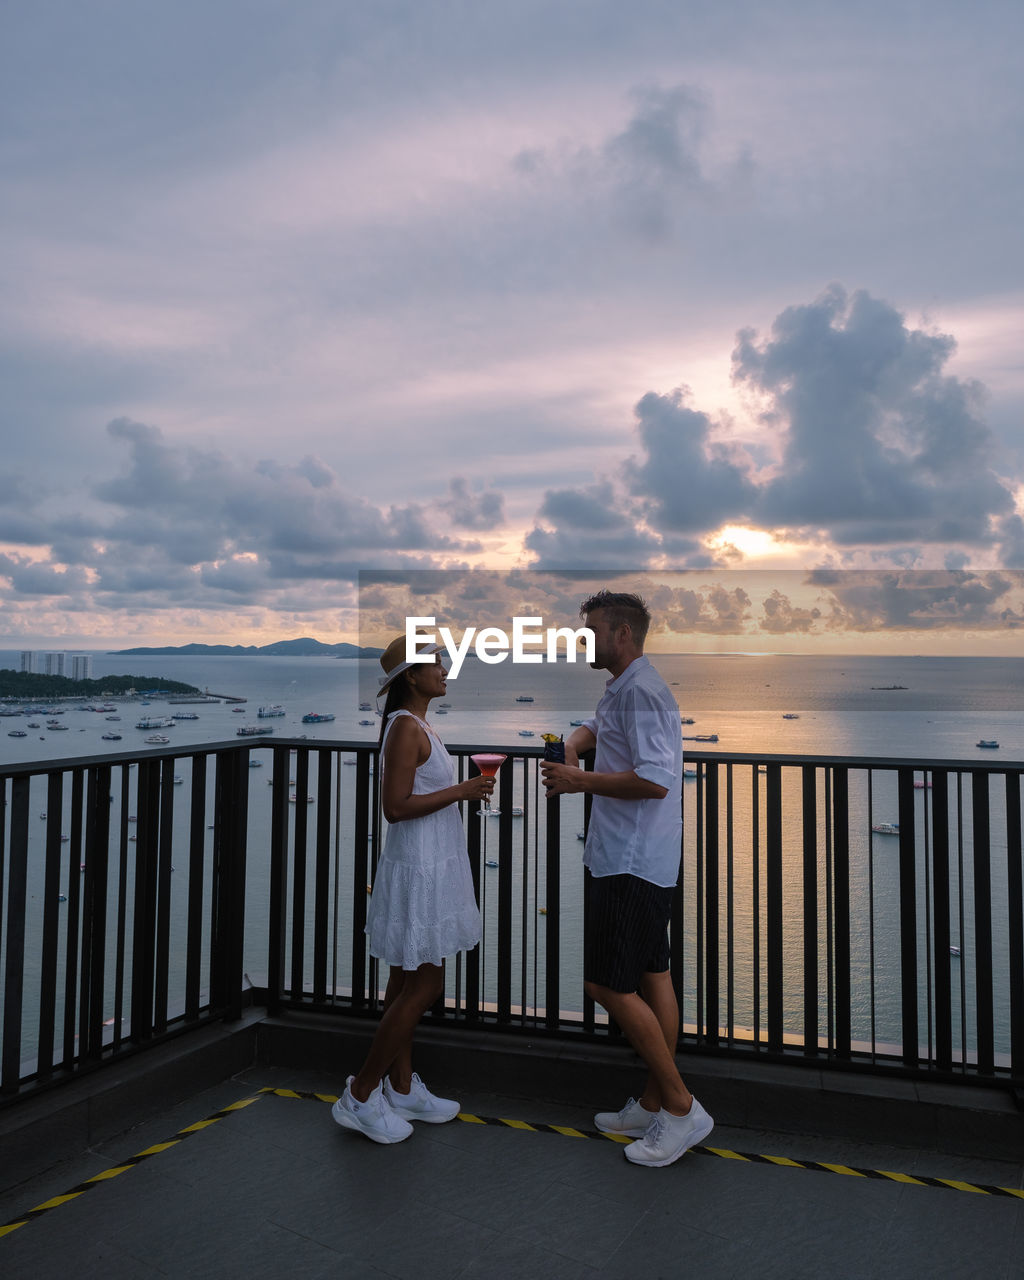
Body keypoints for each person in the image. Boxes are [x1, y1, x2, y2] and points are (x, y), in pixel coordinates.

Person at [540, 590, 713, 1168]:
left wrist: (576, 780)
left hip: (629, 860)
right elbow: (597, 728)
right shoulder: (624, 689)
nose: (582, 639)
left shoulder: (641, 693)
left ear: (622, 635)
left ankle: (682, 1109)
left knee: (607, 987)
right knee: (652, 975)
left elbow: (657, 779)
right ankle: (653, 1102)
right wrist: (573, 745)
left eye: (589, 630)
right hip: (641, 857)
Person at [331, 636, 493, 1144]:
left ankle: (401, 1089)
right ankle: (359, 1094)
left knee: (404, 984)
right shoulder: (405, 729)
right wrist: (463, 791)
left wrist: (457, 792)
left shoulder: (418, 725)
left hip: (429, 865)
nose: (444, 670)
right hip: (419, 870)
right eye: (435, 664)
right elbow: (395, 807)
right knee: (425, 986)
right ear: (411, 677)